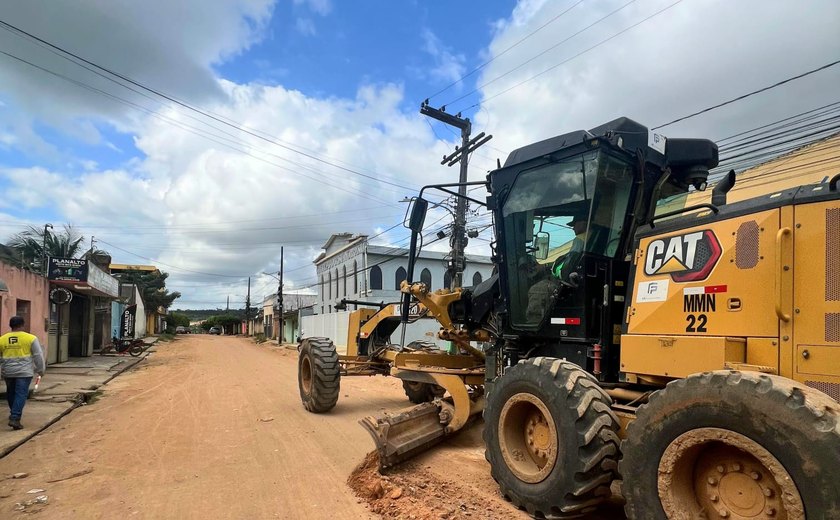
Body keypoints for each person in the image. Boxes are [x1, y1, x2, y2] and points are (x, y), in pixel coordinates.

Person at [0, 316, 46, 430]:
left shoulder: (2, 339)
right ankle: (15, 417)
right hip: (24, 372)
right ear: (23, 324)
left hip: (8, 372)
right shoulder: (30, 338)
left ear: (10, 325)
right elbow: (38, 355)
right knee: (21, 394)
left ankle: (14, 414)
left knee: (11, 394)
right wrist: (41, 370)